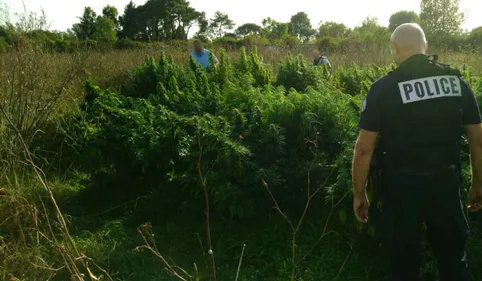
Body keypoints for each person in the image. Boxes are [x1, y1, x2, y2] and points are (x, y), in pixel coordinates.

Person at [351, 23, 482, 281]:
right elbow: (478, 140)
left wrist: (359, 194)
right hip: (445, 184)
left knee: (403, 263)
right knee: (454, 259)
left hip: (400, 190)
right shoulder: (456, 82)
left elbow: (364, 149)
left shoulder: (384, 88)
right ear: (426, 46)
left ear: (395, 49)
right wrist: (478, 183)